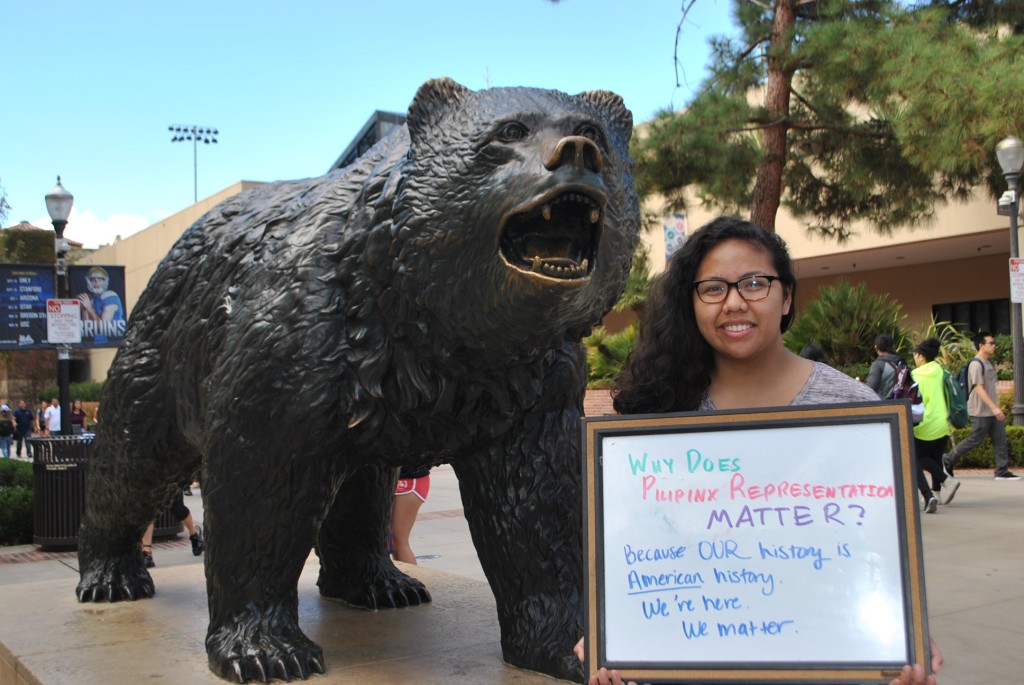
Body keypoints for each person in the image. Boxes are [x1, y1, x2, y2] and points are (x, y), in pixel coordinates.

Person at [581, 217, 942, 685]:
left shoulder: (854, 411)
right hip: (688, 659)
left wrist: (907, 626)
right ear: (691, 303)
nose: (734, 302)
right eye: (712, 288)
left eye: (755, 283)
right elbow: (630, 544)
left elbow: (881, 547)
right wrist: (610, 630)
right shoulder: (657, 414)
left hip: (823, 659)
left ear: (787, 296)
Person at [943, 331, 1020, 481]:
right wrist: (994, 407)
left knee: (1000, 438)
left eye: (994, 343)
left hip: (991, 411)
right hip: (979, 411)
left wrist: (995, 408)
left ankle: (1001, 471)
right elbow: (979, 388)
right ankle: (948, 459)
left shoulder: (989, 363)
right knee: (975, 439)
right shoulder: (976, 364)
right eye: (990, 343)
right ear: (981, 345)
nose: (994, 346)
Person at [910, 338, 956, 512]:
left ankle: (947, 480)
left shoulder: (915, 375)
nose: (914, 357)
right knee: (935, 458)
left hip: (926, 424)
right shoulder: (939, 371)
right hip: (943, 423)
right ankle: (936, 495)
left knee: (918, 459)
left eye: (915, 354)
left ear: (921, 357)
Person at [140, 487, 204, 568]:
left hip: (169, 480)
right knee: (147, 511)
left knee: (178, 509)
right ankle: (147, 553)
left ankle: (194, 534)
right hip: (148, 481)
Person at [390, 466, 431, 564]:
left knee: (398, 542)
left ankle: (411, 578)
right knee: (392, 542)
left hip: (409, 480)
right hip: (396, 479)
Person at [865, 332, 908, 399]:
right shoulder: (902, 361)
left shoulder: (878, 365)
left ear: (876, 347)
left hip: (886, 406)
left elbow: (870, 389)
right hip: (903, 404)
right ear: (892, 346)